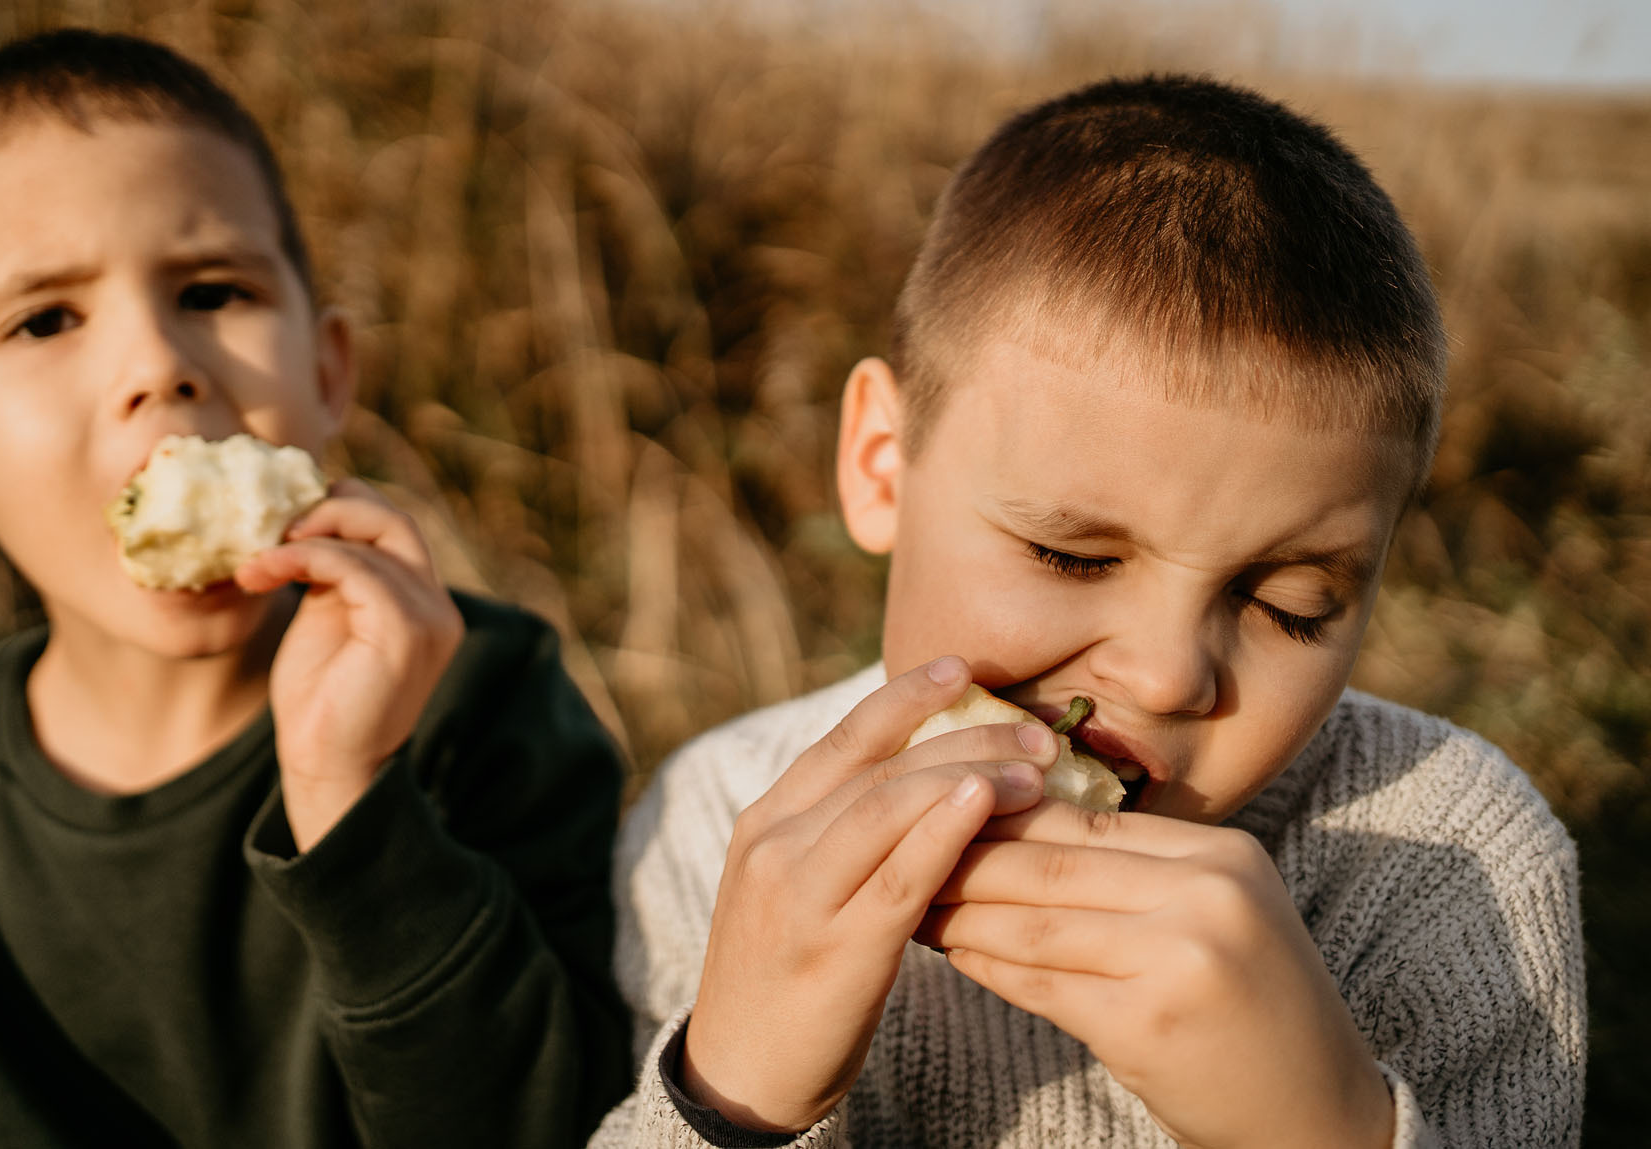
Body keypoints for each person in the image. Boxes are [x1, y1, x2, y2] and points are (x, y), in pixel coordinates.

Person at [593, 75, 1584, 1148]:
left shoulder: (1450, 869)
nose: (1164, 675)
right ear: (881, 466)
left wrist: (1324, 1127)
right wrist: (732, 1090)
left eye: (1290, 604)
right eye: (1069, 556)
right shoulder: (722, 825)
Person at [0, 29, 631, 1147]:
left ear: (326, 367)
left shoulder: (480, 705)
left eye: (211, 290)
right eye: (44, 318)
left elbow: (573, 1127)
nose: (158, 365)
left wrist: (353, 804)